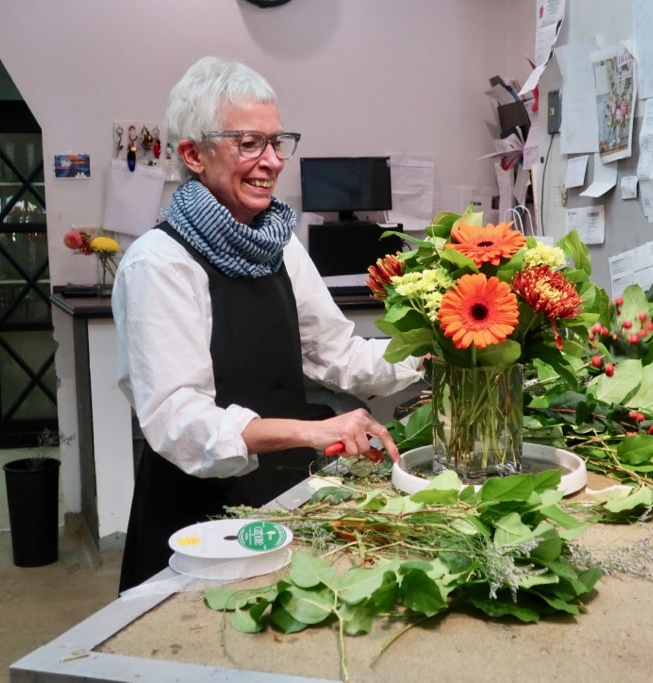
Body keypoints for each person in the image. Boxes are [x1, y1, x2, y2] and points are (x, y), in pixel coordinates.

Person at [111, 56, 421, 593]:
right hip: (198, 517)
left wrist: (436, 345)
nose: (272, 161)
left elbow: (337, 353)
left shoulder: (278, 244)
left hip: (281, 497)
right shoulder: (157, 264)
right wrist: (316, 430)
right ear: (193, 155)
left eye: (279, 142)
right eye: (249, 143)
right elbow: (180, 422)